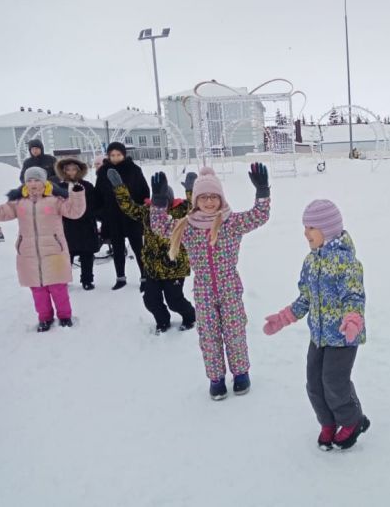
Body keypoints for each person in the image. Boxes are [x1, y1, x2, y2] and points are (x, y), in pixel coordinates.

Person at [149, 164, 270, 399]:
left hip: (229, 287)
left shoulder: (230, 222)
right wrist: (158, 202)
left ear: (221, 198)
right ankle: (216, 378)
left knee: (235, 332)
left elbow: (259, 216)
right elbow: (160, 226)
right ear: (195, 200)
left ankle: (241, 373)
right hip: (203, 290)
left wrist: (263, 191)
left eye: (214, 197)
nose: (209, 202)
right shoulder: (187, 226)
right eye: (203, 197)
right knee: (209, 335)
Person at [263, 199, 370, 451]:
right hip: (319, 336)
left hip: (344, 336)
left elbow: (354, 296)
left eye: (311, 227)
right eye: (305, 227)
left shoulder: (347, 263)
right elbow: (305, 298)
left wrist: (353, 320)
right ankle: (328, 423)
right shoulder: (310, 262)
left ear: (328, 228)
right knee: (314, 383)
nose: (305, 233)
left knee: (334, 382)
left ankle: (352, 420)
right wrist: (283, 317)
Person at [0, 167, 86, 331]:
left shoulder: (55, 199)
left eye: (36, 180)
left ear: (44, 182)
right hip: (29, 254)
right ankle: (45, 318)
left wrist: (77, 194)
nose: (33, 184)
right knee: (38, 290)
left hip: (54, 253)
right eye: (29, 180)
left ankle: (65, 317)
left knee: (58, 288)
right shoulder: (18, 202)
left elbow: (75, 212)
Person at [109, 168, 197, 334]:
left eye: (166, 199)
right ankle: (162, 321)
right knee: (151, 300)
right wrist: (119, 187)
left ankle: (190, 316)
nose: (163, 203)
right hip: (152, 267)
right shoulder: (147, 211)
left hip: (174, 267)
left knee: (175, 301)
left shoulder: (181, 210)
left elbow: (196, 207)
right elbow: (128, 207)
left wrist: (191, 190)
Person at [94, 142, 149, 290]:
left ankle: (145, 277)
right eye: (112, 155)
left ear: (124, 154)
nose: (116, 158)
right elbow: (97, 194)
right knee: (117, 248)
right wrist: (101, 213)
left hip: (131, 215)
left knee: (138, 247)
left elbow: (144, 191)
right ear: (108, 156)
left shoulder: (134, 170)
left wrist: (140, 209)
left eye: (118, 154)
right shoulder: (104, 171)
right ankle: (120, 277)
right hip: (112, 216)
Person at [55, 158, 100, 290]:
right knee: (66, 255)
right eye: (67, 170)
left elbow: (94, 204)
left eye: (74, 169)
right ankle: (63, 280)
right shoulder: (59, 187)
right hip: (67, 226)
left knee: (87, 254)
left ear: (79, 170)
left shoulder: (87, 186)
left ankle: (87, 279)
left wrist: (90, 216)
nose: (71, 172)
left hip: (86, 225)